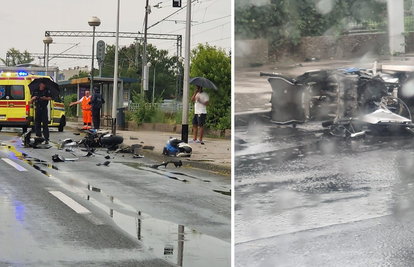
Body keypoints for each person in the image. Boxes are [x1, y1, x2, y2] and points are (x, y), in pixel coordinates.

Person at [30, 80, 51, 144]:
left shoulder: (47, 90)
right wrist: (33, 98)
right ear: (39, 85)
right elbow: (31, 101)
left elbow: (50, 98)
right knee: (37, 123)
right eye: (42, 86)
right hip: (38, 108)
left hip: (44, 109)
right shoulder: (35, 91)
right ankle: (38, 137)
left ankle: (46, 138)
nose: (42, 87)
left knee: (45, 124)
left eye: (43, 86)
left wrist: (46, 98)